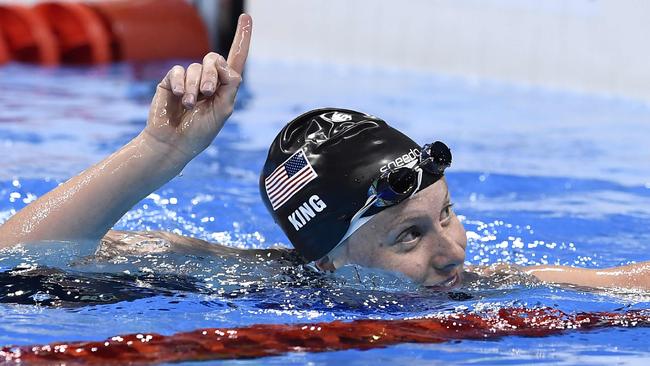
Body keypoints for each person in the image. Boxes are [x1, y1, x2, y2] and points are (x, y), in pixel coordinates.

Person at [0, 14, 647, 292]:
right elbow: (13, 262)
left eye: (446, 214)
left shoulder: (450, 287)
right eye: (409, 237)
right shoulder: (228, 280)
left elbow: (625, 285)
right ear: (331, 261)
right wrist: (157, 153)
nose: (451, 252)